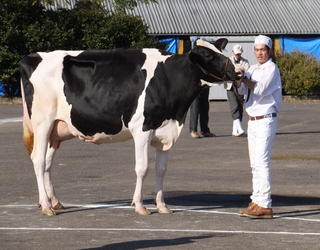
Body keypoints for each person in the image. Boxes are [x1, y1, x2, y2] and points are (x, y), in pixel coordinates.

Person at [236, 35, 282, 219]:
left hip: (265, 119)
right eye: (257, 50)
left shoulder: (272, 69)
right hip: (253, 119)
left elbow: (261, 89)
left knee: (262, 163)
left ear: (269, 51)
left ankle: (265, 204)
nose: (259, 53)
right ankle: (256, 200)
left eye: (263, 49)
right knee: (255, 164)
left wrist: (245, 79)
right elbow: (241, 90)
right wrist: (238, 78)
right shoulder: (253, 69)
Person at [225, 44, 250, 137]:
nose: (237, 55)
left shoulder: (245, 62)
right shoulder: (229, 61)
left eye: (239, 54)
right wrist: (235, 71)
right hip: (230, 86)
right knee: (234, 106)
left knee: (239, 107)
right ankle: (239, 128)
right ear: (233, 52)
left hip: (241, 86)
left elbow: (247, 72)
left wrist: (242, 71)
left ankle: (235, 130)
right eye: (236, 54)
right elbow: (226, 73)